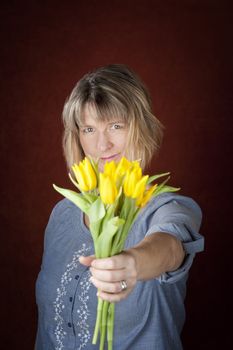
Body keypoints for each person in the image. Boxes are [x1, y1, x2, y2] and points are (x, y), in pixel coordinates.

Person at [35, 64, 204, 350]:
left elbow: (171, 248)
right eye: (89, 129)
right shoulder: (61, 214)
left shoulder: (167, 208)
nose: (103, 144)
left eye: (116, 125)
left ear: (142, 128)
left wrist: (133, 263)